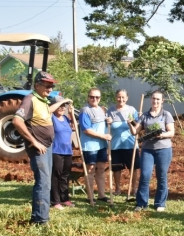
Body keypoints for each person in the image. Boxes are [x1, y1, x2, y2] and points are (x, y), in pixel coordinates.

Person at [12, 71, 67, 225]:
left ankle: (41, 216)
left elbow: (48, 111)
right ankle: (40, 220)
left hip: (47, 146)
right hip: (39, 148)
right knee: (43, 182)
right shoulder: (30, 99)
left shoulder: (42, 100)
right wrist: (34, 142)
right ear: (37, 85)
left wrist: (63, 102)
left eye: (52, 85)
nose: (50, 89)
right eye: (47, 85)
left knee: (46, 181)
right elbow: (17, 121)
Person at [130, 91, 175, 212]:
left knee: (161, 176)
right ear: (151, 100)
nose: (155, 101)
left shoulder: (166, 114)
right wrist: (129, 123)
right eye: (153, 99)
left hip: (163, 149)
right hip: (147, 150)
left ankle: (160, 203)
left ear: (162, 101)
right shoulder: (145, 115)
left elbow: (171, 132)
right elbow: (135, 132)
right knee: (145, 175)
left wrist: (161, 135)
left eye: (158, 99)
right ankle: (141, 203)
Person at [79, 88, 112, 205]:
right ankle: (90, 196)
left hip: (101, 145)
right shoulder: (85, 111)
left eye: (97, 97)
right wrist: (103, 136)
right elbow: (86, 130)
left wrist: (108, 120)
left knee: (101, 169)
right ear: (88, 97)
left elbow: (102, 123)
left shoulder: (101, 110)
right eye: (92, 97)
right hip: (90, 146)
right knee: (91, 170)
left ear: (100, 98)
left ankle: (101, 195)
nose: (94, 99)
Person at [106, 89, 140, 198]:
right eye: (119, 97)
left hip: (130, 145)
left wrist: (132, 121)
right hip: (115, 145)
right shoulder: (110, 111)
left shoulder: (131, 110)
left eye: (123, 97)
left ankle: (134, 188)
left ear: (127, 98)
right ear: (116, 97)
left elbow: (137, 126)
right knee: (116, 168)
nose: (121, 99)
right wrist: (108, 122)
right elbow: (106, 125)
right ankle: (117, 188)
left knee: (133, 167)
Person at [50, 97, 75, 210]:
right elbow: (49, 110)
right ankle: (55, 201)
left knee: (65, 176)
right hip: (56, 151)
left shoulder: (65, 118)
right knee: (56, 176)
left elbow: (73, 127)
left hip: (67, 151)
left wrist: (71, 114)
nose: (61, 108)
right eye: (59, 105)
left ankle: (64, 199)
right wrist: (62, 101)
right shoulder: (52, 117)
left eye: (63, 106)